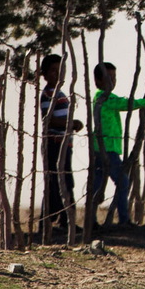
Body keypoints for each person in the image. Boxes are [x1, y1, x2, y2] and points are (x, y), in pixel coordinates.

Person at [88, 62, 145, 228]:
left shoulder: (101, 97)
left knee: (97, 185)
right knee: (122, 182)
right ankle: (123, 220)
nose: (112, 82)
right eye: (108, 78)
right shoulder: (105, 97)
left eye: (114, 78)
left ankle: (91, 220)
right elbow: (127, 104)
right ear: (98, 81)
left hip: (102, 148)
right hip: (107, 149)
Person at [39, 54, 83, 239]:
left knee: (65, 182)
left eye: (60, 71)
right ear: (45, 74)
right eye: (53, 71)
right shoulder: (48, 93)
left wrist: (71, 124)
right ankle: (48, 222)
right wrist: (71, 123)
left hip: (64, 144)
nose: (57, 74)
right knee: (56, 183)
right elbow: (49, 120)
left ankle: (66, 220)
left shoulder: (59, 93)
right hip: (54, 145)